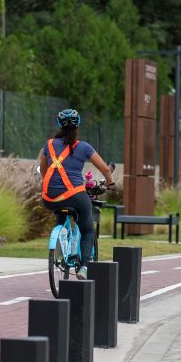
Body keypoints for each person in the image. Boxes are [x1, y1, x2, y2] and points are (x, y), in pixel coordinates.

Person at [38, 109, 114, 280]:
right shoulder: (84, 147)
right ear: (78, 125)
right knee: (87, 228)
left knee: (60, 212)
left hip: (49, 197)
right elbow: (103, 168)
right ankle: (84, 267)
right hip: (75, 194)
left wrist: (53, 184)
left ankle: (61, 249)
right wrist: (110, 182)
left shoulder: (49, 145)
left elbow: (43, 170)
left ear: (59, 124)